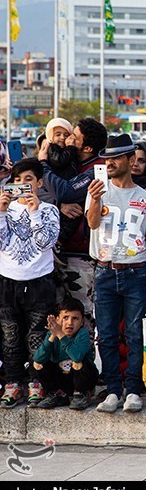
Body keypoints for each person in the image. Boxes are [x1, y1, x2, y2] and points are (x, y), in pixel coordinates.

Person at [86, 134, 146, 414]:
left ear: (131, 161)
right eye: (106, 158)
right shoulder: (97, 190)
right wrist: (95, 199)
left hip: (137, 273)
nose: (109, 163)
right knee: (106, 335)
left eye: (116, 158)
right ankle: (112, 389)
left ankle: (132, 389)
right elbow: (92, 224)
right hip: (105, 271)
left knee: (135, 334)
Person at [38, 118, 108, 333]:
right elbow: (39, 193)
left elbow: (66, 190)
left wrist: (42, 164)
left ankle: (82, 364)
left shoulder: (97, 169)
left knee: (82, 316)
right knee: (56, 316)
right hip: (54, 253)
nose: (67, 140)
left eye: (74, 138)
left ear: (87, 147)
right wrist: (58, 205)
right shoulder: (67, 163)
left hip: (81, 256)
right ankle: (60, 365)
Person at [0, 158, 60, 408]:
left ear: (39, 182)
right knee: (10, 336)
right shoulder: (5, 209)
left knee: (38, 338)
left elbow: (45, 243)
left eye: (28, 180)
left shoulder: (49, 210)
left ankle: (37, 382)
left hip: (39, 282)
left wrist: (35, 212)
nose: (23, 185)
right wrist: (2, 213)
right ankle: (13, 384)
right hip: (8, 281)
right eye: (17, 180)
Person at [31, 297, 98, 410]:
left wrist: (61, 335)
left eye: (75, 318)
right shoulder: (52, 334)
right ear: (57, 320)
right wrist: (53, 335)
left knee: (78, 362)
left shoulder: (82, 334)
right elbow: (38, 358)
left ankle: (81, 394)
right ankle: (55, 394)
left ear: (82, 322)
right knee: (39, 364)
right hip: (62, 378)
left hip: (82, 379)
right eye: (65, 318)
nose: (69, 323)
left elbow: (76, 356)